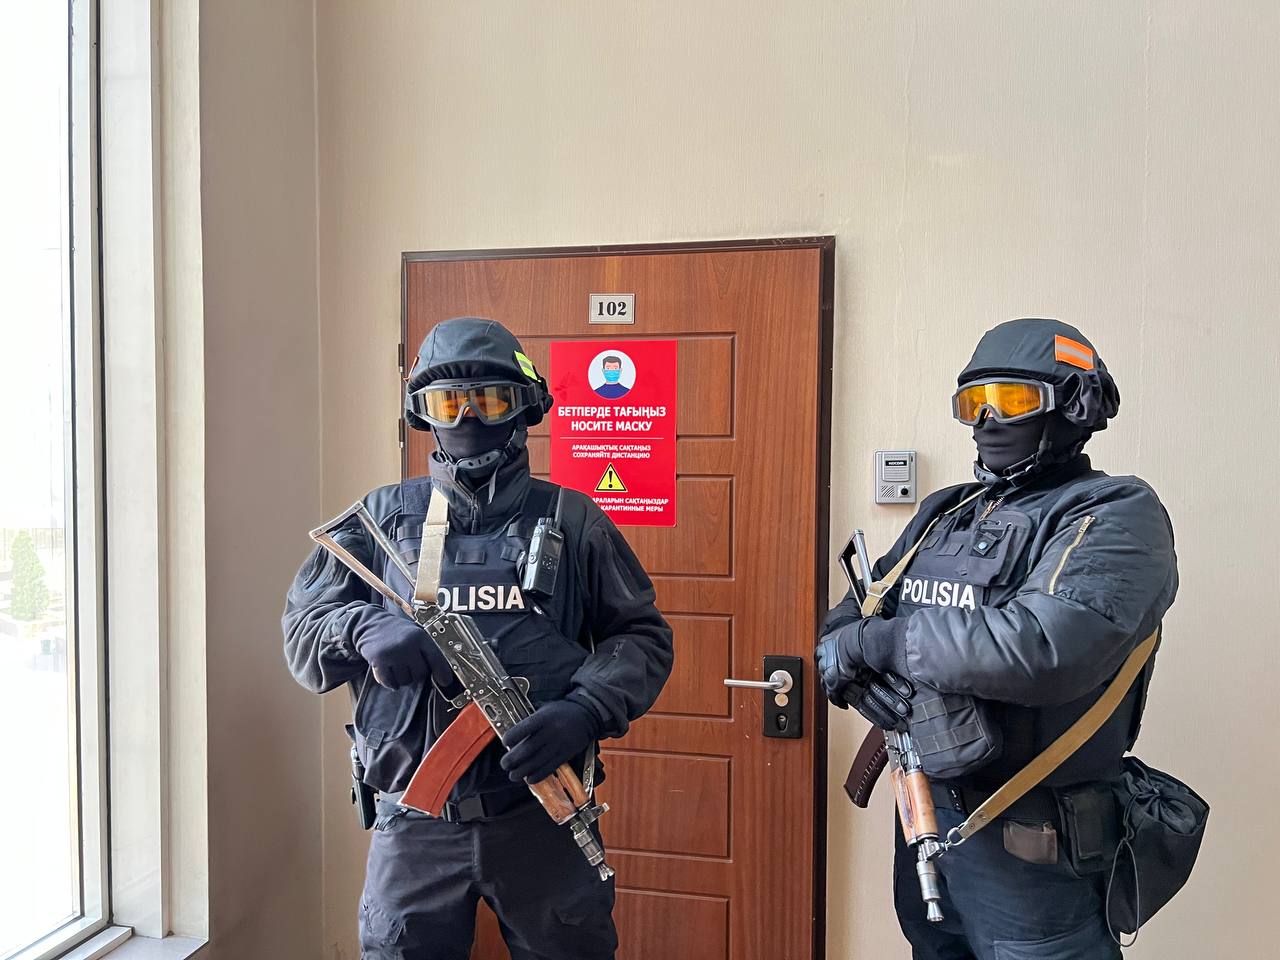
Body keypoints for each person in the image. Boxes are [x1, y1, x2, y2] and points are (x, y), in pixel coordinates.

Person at [283, 317, 674, 960]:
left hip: (542, 814)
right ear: (423, 413)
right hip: (413, 823)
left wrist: (585, 709)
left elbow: (641, 637)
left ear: (525, 408)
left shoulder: (573, 519)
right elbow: (302, 636)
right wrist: (360, 627)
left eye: (489, 400)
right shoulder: (379, 520)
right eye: (448, 403)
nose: (468, 418)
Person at [817, 318, 1177, 959]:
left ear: (1072, 406)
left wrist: (881, 646)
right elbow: (852, 614)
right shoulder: (946, 512)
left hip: (1034, 844)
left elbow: (1040, 649)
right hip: (925, 818)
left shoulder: (1113, 513)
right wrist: (853, 671)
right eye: (972, 402)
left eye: (1010, 399)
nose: (986, 419)